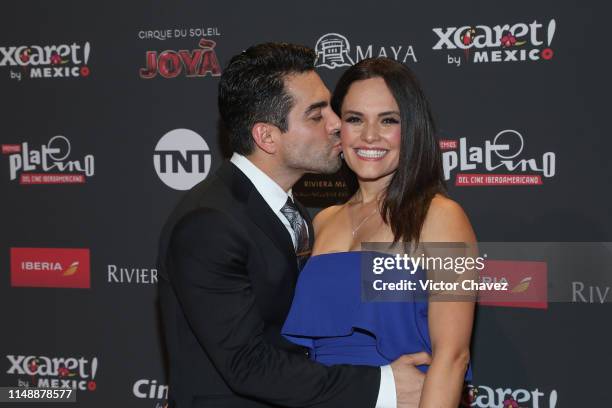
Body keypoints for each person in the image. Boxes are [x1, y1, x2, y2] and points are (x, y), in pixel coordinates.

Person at [157, 43, 430, 408]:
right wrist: (385, 386)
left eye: (331, 109)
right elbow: (247, 365)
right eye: (317, 116)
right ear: (266, 136)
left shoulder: (296, 213)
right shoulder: (209, 223)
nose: (337, 125)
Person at [282, 58, 476, 408]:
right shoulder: (323, 221)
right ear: (337, 126)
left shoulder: (440, 218)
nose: (370, 135)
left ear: (412, 128)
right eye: (355, 119)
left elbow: (452, 358)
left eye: (388, 120)